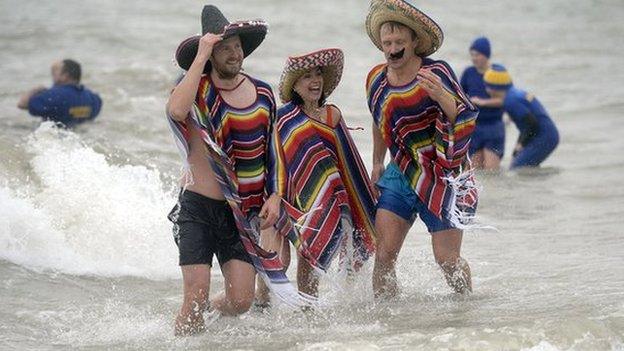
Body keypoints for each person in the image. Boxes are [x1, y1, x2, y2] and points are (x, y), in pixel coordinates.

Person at [166, 5, 280, 335]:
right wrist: (200, 55)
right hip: (198, 207)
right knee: (195, 295)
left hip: (240, 212)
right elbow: (176, 110)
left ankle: (202, 320)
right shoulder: (194, 89)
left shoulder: (261, 93)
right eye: (224, 48)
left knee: (241, 301)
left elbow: (271, 151)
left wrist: (275, 193)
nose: (233, 54)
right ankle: (186, 332)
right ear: (210, 54)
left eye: (237, 47)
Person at [365, 0, 479, 298]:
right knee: (384, 257)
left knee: (447, 260)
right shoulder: (376, 79)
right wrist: (377, 162)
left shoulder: (437, 72)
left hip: (442, 175)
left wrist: (441, 96)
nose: (392, 49)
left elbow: (463, 118)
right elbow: (380, 120)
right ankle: (388, 323)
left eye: (399, 42)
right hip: (400, 172)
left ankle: (467, 308)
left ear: (414, 41)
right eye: (387, 42)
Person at [255, 49, 377, 305]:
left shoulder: (333, 115)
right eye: (307, 76)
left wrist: (361, 196)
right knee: (277, 261)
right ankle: (260, 308)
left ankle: (307, 313)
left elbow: (348, 163)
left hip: (322, 200)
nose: (315, 81)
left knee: (309, 256)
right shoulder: (283, 118)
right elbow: (270, 158)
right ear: (295, 85)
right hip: (284, 196)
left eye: (318, 74)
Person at [483, 64, 559, 169]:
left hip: (544, 137)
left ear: (493, 87)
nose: (486, 90)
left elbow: (531, 124)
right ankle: (541, 184)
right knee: (526, 166)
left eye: (487, 86)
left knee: (518, 167)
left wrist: (520, 144)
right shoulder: (513, 93)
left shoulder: (511, 100)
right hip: (545, 134)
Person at [460, 37, 505, 170]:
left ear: (486, 55)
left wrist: (482, 102)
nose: (474, 58)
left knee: (491, 172)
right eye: (472, 55)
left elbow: (507, 99)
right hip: (474, 127)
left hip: (494, 127)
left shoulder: (498, 72)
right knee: (475, 173)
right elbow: (460, 95)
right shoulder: (468, 73)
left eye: (477, 55)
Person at [17, 59, 102, 127]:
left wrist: (36, 89)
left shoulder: (54, 96)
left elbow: (22, 104)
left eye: (54, 73)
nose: (53, 76)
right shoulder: (93, 99)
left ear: (65, 76)